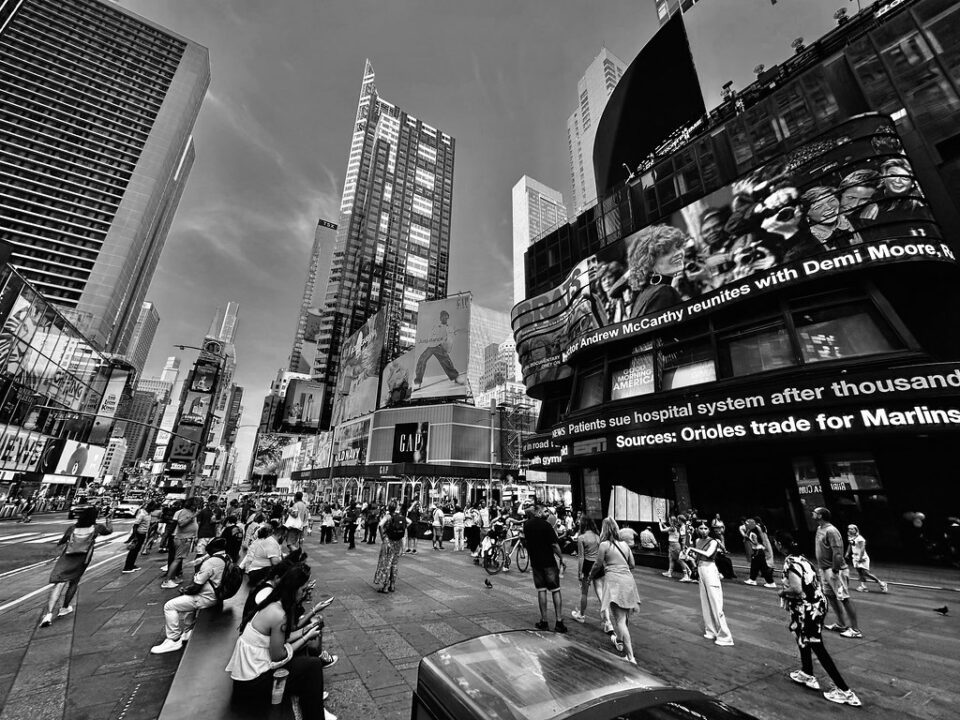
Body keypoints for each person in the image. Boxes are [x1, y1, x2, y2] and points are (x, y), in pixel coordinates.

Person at [226, 566, 333, 719]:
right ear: (293, 589)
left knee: (307, 661)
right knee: (313, 666)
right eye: (303, 590)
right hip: (253, 683)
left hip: (250, 675)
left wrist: (307, 629)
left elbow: (284, 637)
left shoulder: (274, 603)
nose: (305, 594)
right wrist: (306, 637)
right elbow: (278, 655)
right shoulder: (278, 614)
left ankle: (314, 705)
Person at [775, 532, 862, 707]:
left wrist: (781, 592)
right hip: (815, 606)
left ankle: (845, 691)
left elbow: (796, 589)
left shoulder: (790, 563)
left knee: (816, 645)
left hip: (807, 609)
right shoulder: (803, 559)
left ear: (779, 545)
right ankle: (807, 673)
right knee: (802, 636)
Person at [151, 538, 230, 654]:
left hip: (206, 598)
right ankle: (188, 631)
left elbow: (196, 587)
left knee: (169, 606)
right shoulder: (226, 557)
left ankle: (174, 639)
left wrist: (185, 590)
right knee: (188, 603)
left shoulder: (211, 563)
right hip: (216, 595)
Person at [39, 505, 113, 627]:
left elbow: (62, 542)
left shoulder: (72, 528)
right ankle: (65, 607)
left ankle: (49, 614)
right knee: (73, 582)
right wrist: (109, 520)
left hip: (66, 557)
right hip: (82, 559)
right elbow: (109, 531)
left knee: (59, 584)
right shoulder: (96, 528)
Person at [588, 518, 641, 664]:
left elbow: (597, 564)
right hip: (629, 581)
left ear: (604, 529)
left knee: (620, 621)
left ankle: (630, 657)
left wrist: (589, 576)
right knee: (624, 618)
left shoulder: (604, 545)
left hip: (614, 582)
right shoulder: (625, 545)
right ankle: (619, 640)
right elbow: (632, 565)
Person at [813, 507, 862, 639]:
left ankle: (855, 629)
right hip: (824, 569)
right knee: (830, 596)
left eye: (815, 512)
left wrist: (835, 569)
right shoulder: (819, 529)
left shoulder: (831, 530)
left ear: (820, 516)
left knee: (844, 598)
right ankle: (841, 623)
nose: (813, 513)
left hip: (834, 570)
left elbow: (838, 551)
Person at [683, 521, 734, 646]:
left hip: (710, 569)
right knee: (705, 602)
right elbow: (697, 557)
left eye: (706, 528)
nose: (704, 530)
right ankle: (711, 630)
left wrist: (692, 549)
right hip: (701, 569)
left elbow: (708, 554)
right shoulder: (697, 541)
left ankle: (725, 636)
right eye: (701, 528)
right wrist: (689, 554)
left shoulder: (713, 541)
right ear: (697, 530)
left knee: (716, 603)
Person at [626, 225, 686, 317]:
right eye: (666, 252)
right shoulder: (664, 291)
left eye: (678, 247)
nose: (678, 253)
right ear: (649, 263)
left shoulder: (644, 294)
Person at [524, 504, 566, 633]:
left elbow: (526, 541)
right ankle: (559, 622)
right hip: (549, 562)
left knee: (541, 590)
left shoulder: (527, 525)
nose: (547, 513)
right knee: (555, 590)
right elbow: (554, 545)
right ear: (538, 512)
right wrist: (561, 558)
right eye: (545, 511)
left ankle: (544, 620)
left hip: (536, 562)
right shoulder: (546, 525)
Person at [413, 310, 463, 389]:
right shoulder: (436, 325)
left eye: (446, 318)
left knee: (446, 361)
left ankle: (455, 377)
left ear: (447, 318)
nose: (444, 319)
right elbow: (430, 335)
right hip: (431, 346)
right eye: (443, 317)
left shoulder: (449, 327)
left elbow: (453, 335)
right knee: (422, 360)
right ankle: (417, 382)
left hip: (439, 347)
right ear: (440, 318)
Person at [162, 498, 198, 589]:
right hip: (182, 539)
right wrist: (192, 517)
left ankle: (172, 578)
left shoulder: (189, 512)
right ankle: (167, 580)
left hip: (184, 538)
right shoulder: (186, 512)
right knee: (177, 559)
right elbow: (181, 523)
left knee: (178, 559)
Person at [374, 501, 407, 593]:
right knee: (394, 563)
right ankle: (392, 585)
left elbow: (380, 525)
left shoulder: (388, 516)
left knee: (387, 563)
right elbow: (409, 522)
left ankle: (385, 586)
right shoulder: (400, 517)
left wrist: (383, 536)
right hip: (398, 542)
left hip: (389, 541)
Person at [845, 525, 888, 593]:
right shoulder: (850, 537)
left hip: (862, 557)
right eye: (849, 529)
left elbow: (862, 549)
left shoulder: (860, 538)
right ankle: (863, 586)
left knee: (866, 573)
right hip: (855, 557)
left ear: (856, 530)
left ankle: (882, 583)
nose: (850, 530)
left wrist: (861, 558)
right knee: (859, 572)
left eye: (852, 529)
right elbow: (850, 545)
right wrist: (847, 553)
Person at [121, 500, 155, 574]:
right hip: (138, 534)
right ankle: (127, 567)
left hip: (143, 534)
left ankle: (132, 565)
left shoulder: (148, 514)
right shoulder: (142, 514)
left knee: (136, 551)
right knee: (133, 551)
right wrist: (135, 536)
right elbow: (135, 526)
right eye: (153, 508)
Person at [743, 518, 777, 588]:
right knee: (755, 567)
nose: (746, 525)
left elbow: (755, 542)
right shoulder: (755, 531)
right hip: (759, 551)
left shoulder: (753, 533)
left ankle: (770, 582)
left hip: (758, 551)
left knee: (763, 568)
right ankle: (752, 579)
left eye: (747, 524)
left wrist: (749, 539)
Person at [659, 515, 692, 581]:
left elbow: (662, 530)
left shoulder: (673, 528)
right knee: (671, 559)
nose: (668, 521)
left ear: (671, 521)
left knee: (679, 560)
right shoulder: (675, 527)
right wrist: (663, 524)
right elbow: (668, 529)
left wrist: (660, 524)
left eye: (669, 520)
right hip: (671, 545)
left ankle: (687, 572)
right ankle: (669, 572)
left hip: (675, 545)